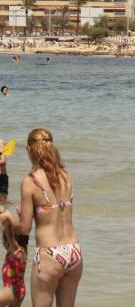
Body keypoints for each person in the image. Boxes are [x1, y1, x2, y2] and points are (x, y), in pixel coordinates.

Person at [12, 129, 82, 306]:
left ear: (29, 149)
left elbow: (24, 229)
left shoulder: (30, 182)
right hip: (73, 251)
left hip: (49, 254)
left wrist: (11, 219)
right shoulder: (66, 176)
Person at [0, 140, 27, 306]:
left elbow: (10, 234)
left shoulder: (15, 250)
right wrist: (20, 216)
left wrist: (8, 219)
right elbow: (22, 230)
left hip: (12, 292)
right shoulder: (20, 250)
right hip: (17, 291)